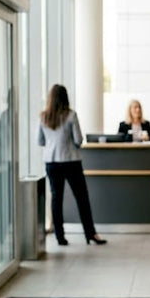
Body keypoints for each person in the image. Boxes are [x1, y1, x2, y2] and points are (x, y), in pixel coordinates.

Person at [38, 84, 107, 246]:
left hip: (52, 162)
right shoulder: (70, 115)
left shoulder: (43, 117)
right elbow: (78, 140)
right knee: (82, 198)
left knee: (56, 198)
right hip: (71, 161)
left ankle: (59, 237)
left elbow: (39, 141)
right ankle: (90, 233)